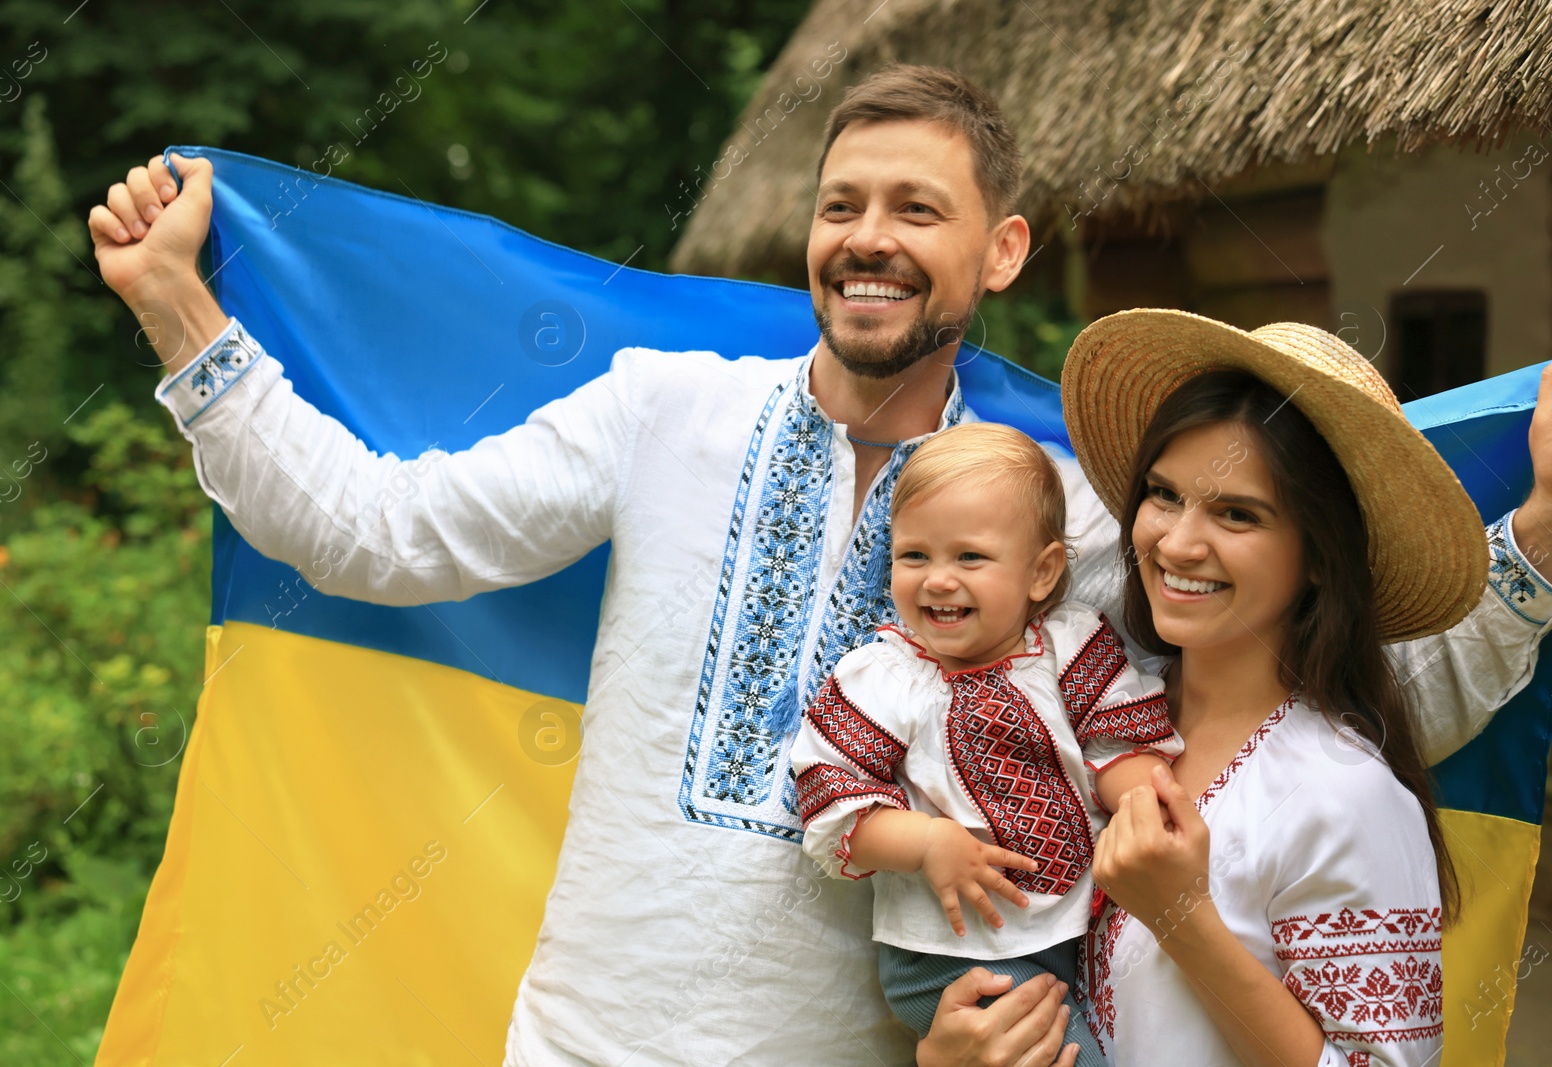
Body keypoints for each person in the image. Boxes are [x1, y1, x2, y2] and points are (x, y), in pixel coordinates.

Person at [86, 62, 1552, 1065]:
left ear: (1002, 251)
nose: (869, 239)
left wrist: (1537, 536)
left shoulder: (1072, 520)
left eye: (918, 209)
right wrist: (177, 312)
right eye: (844, 204)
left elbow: (1314, 683)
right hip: (582, 1038)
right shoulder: (657, 409)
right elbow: (374, 531)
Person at [1065, 311, 1464, 1065]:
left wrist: (1183, 917)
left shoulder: (1345, 796)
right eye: (1163, 494)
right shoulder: (1092, 711)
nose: (1177, 543)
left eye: (1237, 513)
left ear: (1320, 554)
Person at [791, 422, 1182, 1064]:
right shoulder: (885, 678)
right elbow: (832, 805)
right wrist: (927, 842)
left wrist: (1138, 797)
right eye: (914, 556)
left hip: (1073, 932)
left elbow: (1116, 740)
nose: (938, 580)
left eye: (969, 557)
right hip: (947, 960)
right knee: (1070, 1057)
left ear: (1042, 572)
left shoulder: (1069, 644)